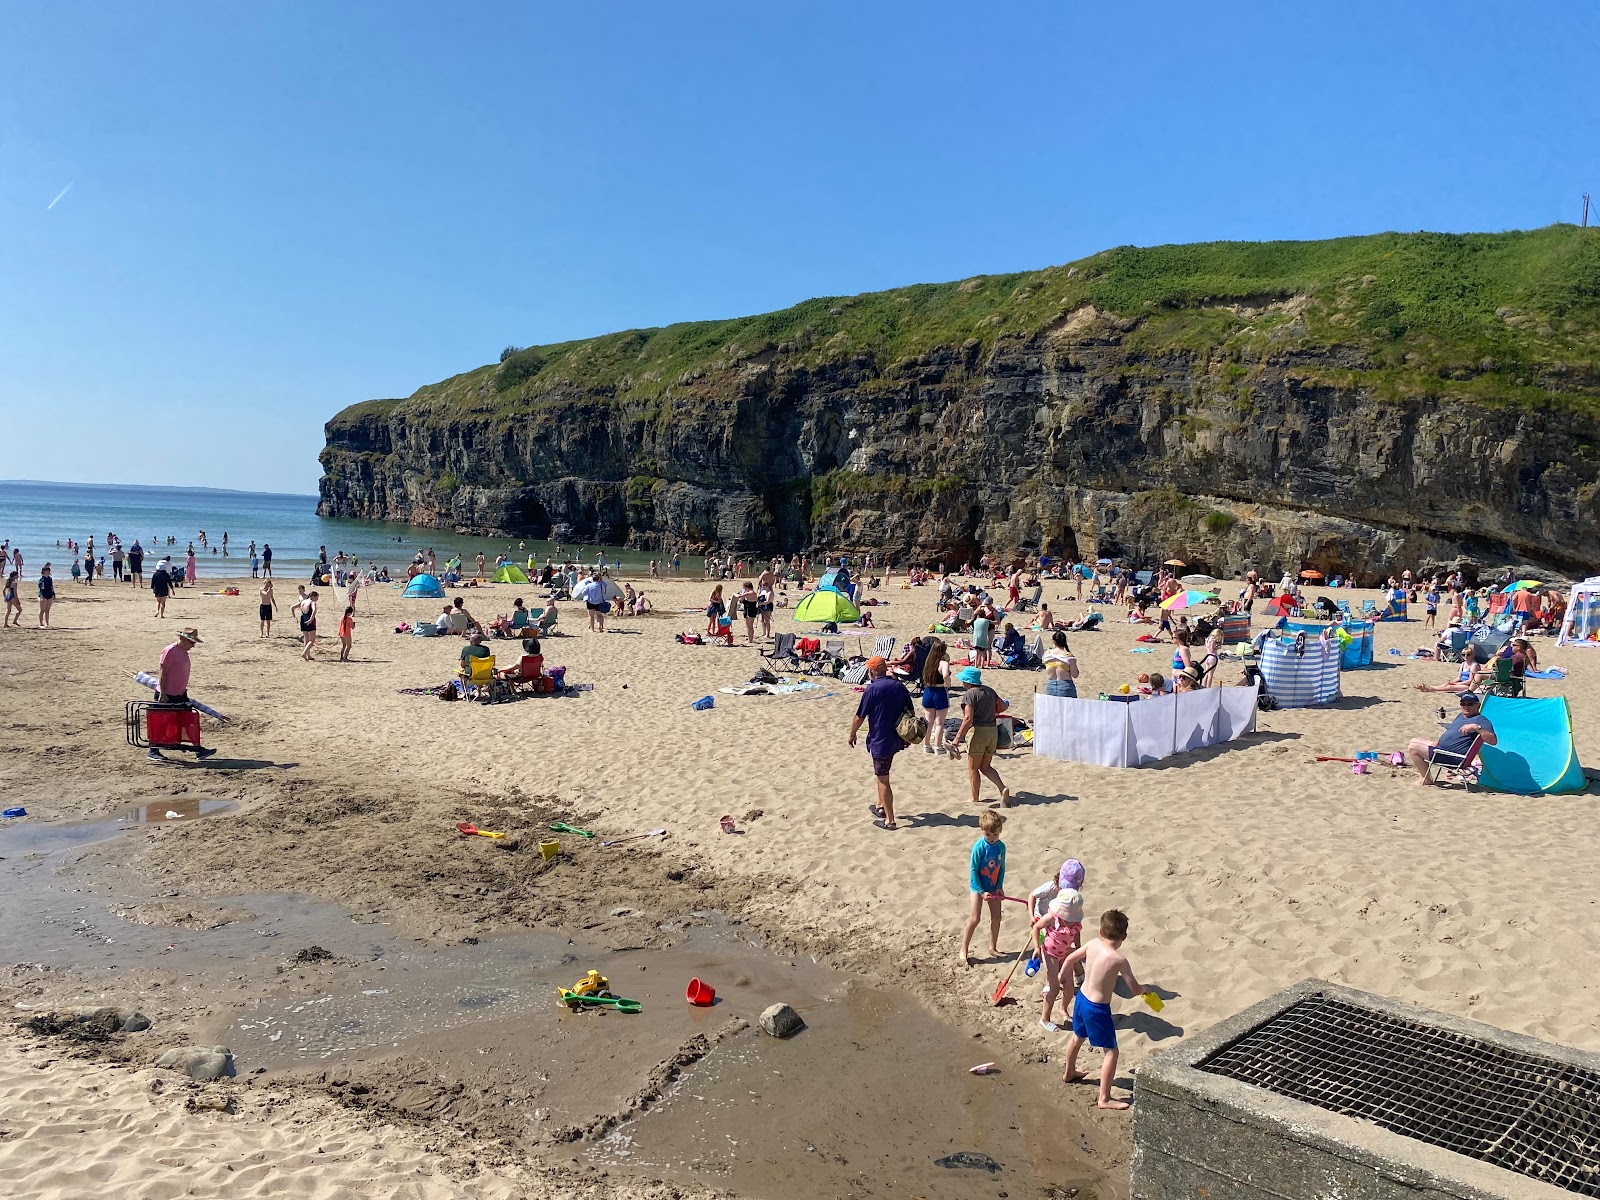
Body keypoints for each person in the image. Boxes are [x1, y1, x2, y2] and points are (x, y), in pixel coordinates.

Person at [1061, 910, 1151, 1109]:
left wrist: (1061, 977)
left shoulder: (1093, 943)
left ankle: (1069, 1072)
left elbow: (1069, 959)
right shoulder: (1119, 960)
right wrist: (1145, 991)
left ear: (1101, 931)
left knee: (1077, 1037)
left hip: (1081, 999)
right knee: (1111, 1052)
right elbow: (1134, 988)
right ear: (1124, 937)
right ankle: (1104, 1098)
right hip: (1097, 1009)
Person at [847, 655, 914, 830]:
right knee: (881, 773)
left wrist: (852, 734)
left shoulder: (872, 689)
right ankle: (880, 806)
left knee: (883, 777)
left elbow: (859, 716)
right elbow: (911, 711)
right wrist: (906, 737)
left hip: (881, 739)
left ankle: (890, 820)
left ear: (871, 672)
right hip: (896, 738)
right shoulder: (898, 686)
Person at [1032, 860, 1086, 1032]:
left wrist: (1078, 950)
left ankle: (1063, 1008)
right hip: (1049, 952)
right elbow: (1037, 928)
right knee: (1054, 987)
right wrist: (1036, 947)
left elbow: (1076, 936)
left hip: (1065, 953)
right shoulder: (1053, 917)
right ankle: (1044, 1018)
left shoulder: (1075, 922)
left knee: (1069, 987)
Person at [149, 626, 217, 762]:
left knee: (188, 721)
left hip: (180, 693)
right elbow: (163, 672)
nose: (193, 646)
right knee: (162, 722)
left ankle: (198, 749)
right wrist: (162, 693)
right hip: (168, 693)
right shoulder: (170, 651)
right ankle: (153, 750)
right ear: (184, 640)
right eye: (192, 642)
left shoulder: (183, 652)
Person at [1406, 691, 1497, 786]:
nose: (1466, 707)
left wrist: (1477, 728)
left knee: (1413, 747)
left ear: (1478, 705)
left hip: (1452, 758)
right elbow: (1452, 733)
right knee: (1414, 740)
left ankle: (1425, 779)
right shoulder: (1461, 716)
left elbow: (1493, 741)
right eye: (1463, 704)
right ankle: (1426, 776)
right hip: (1442, 750)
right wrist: (1438, 743)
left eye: (1470, 704)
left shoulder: (1481, 720)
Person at [954, 667, 1012, 806]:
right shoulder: (989, 690)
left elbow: (968, 718)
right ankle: (1002, 788)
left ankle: (974, 797)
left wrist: (957, 739)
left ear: (968, 681)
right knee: (986, 767)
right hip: (992, 732)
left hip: (978, 732)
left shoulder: (970, 694)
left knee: (973, 768)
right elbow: (1003, 707)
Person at [960, 810, 1007, 966]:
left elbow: (1001, 867)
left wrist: (999, 886)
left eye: (995, 835)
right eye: (988, 835)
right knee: (975, 918)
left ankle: (993, 947)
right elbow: (973, 870)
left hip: (993, 886)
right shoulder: (979, 847)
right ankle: (964, 949)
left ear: (1000, 831)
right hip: (978, 886)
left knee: (997, 917)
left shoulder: (1001, 847)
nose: (992, 838)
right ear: (982, 831)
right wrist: (981, 892)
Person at [1043, 631, 1079, 697]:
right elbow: (1075, 675)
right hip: (1065, 685)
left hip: (1051, 686)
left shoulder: (1047, 654)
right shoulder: (1068, 656)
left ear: (1054, 642)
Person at [299, 590, 319, 661]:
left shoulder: (303, 601)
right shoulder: (312, 602)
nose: (317, 599)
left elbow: (293, 607)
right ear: (313, 597)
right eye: (317, 597)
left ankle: (308, 655)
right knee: (312, 640)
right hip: (309, 619)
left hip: (303, 618)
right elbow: (314, 610)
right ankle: (304, 653)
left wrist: (293, 614)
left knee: (306, 639)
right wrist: (311, 619)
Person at [35, 564, 56, 628]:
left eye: (48, 571)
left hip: (49, 595)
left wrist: (54, 594)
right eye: (46, 571)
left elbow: (51, 587)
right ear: (43, 572)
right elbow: (40, 589)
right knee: (42, 610)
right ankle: (41, 623)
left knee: (47, 610)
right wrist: (41, 596)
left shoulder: (50, 579)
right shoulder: (41, 580)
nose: (48, 572)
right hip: (43, 595)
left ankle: (47, 623)